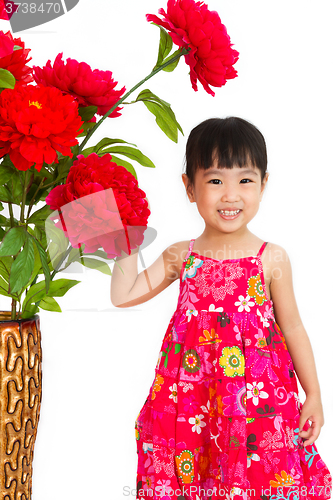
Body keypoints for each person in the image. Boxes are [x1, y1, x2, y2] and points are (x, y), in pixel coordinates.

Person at [110, 117, 332, 500]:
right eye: (215, 181)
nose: (231, 195)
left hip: (255, 402)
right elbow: (124, 294)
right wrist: (126, 236)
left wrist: (313, 394)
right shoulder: (182, 255)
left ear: (264, 184)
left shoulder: (271, 258)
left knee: (257, 476)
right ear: (189, 188)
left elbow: (292, 327)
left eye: (245, 180)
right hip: (188, 398)